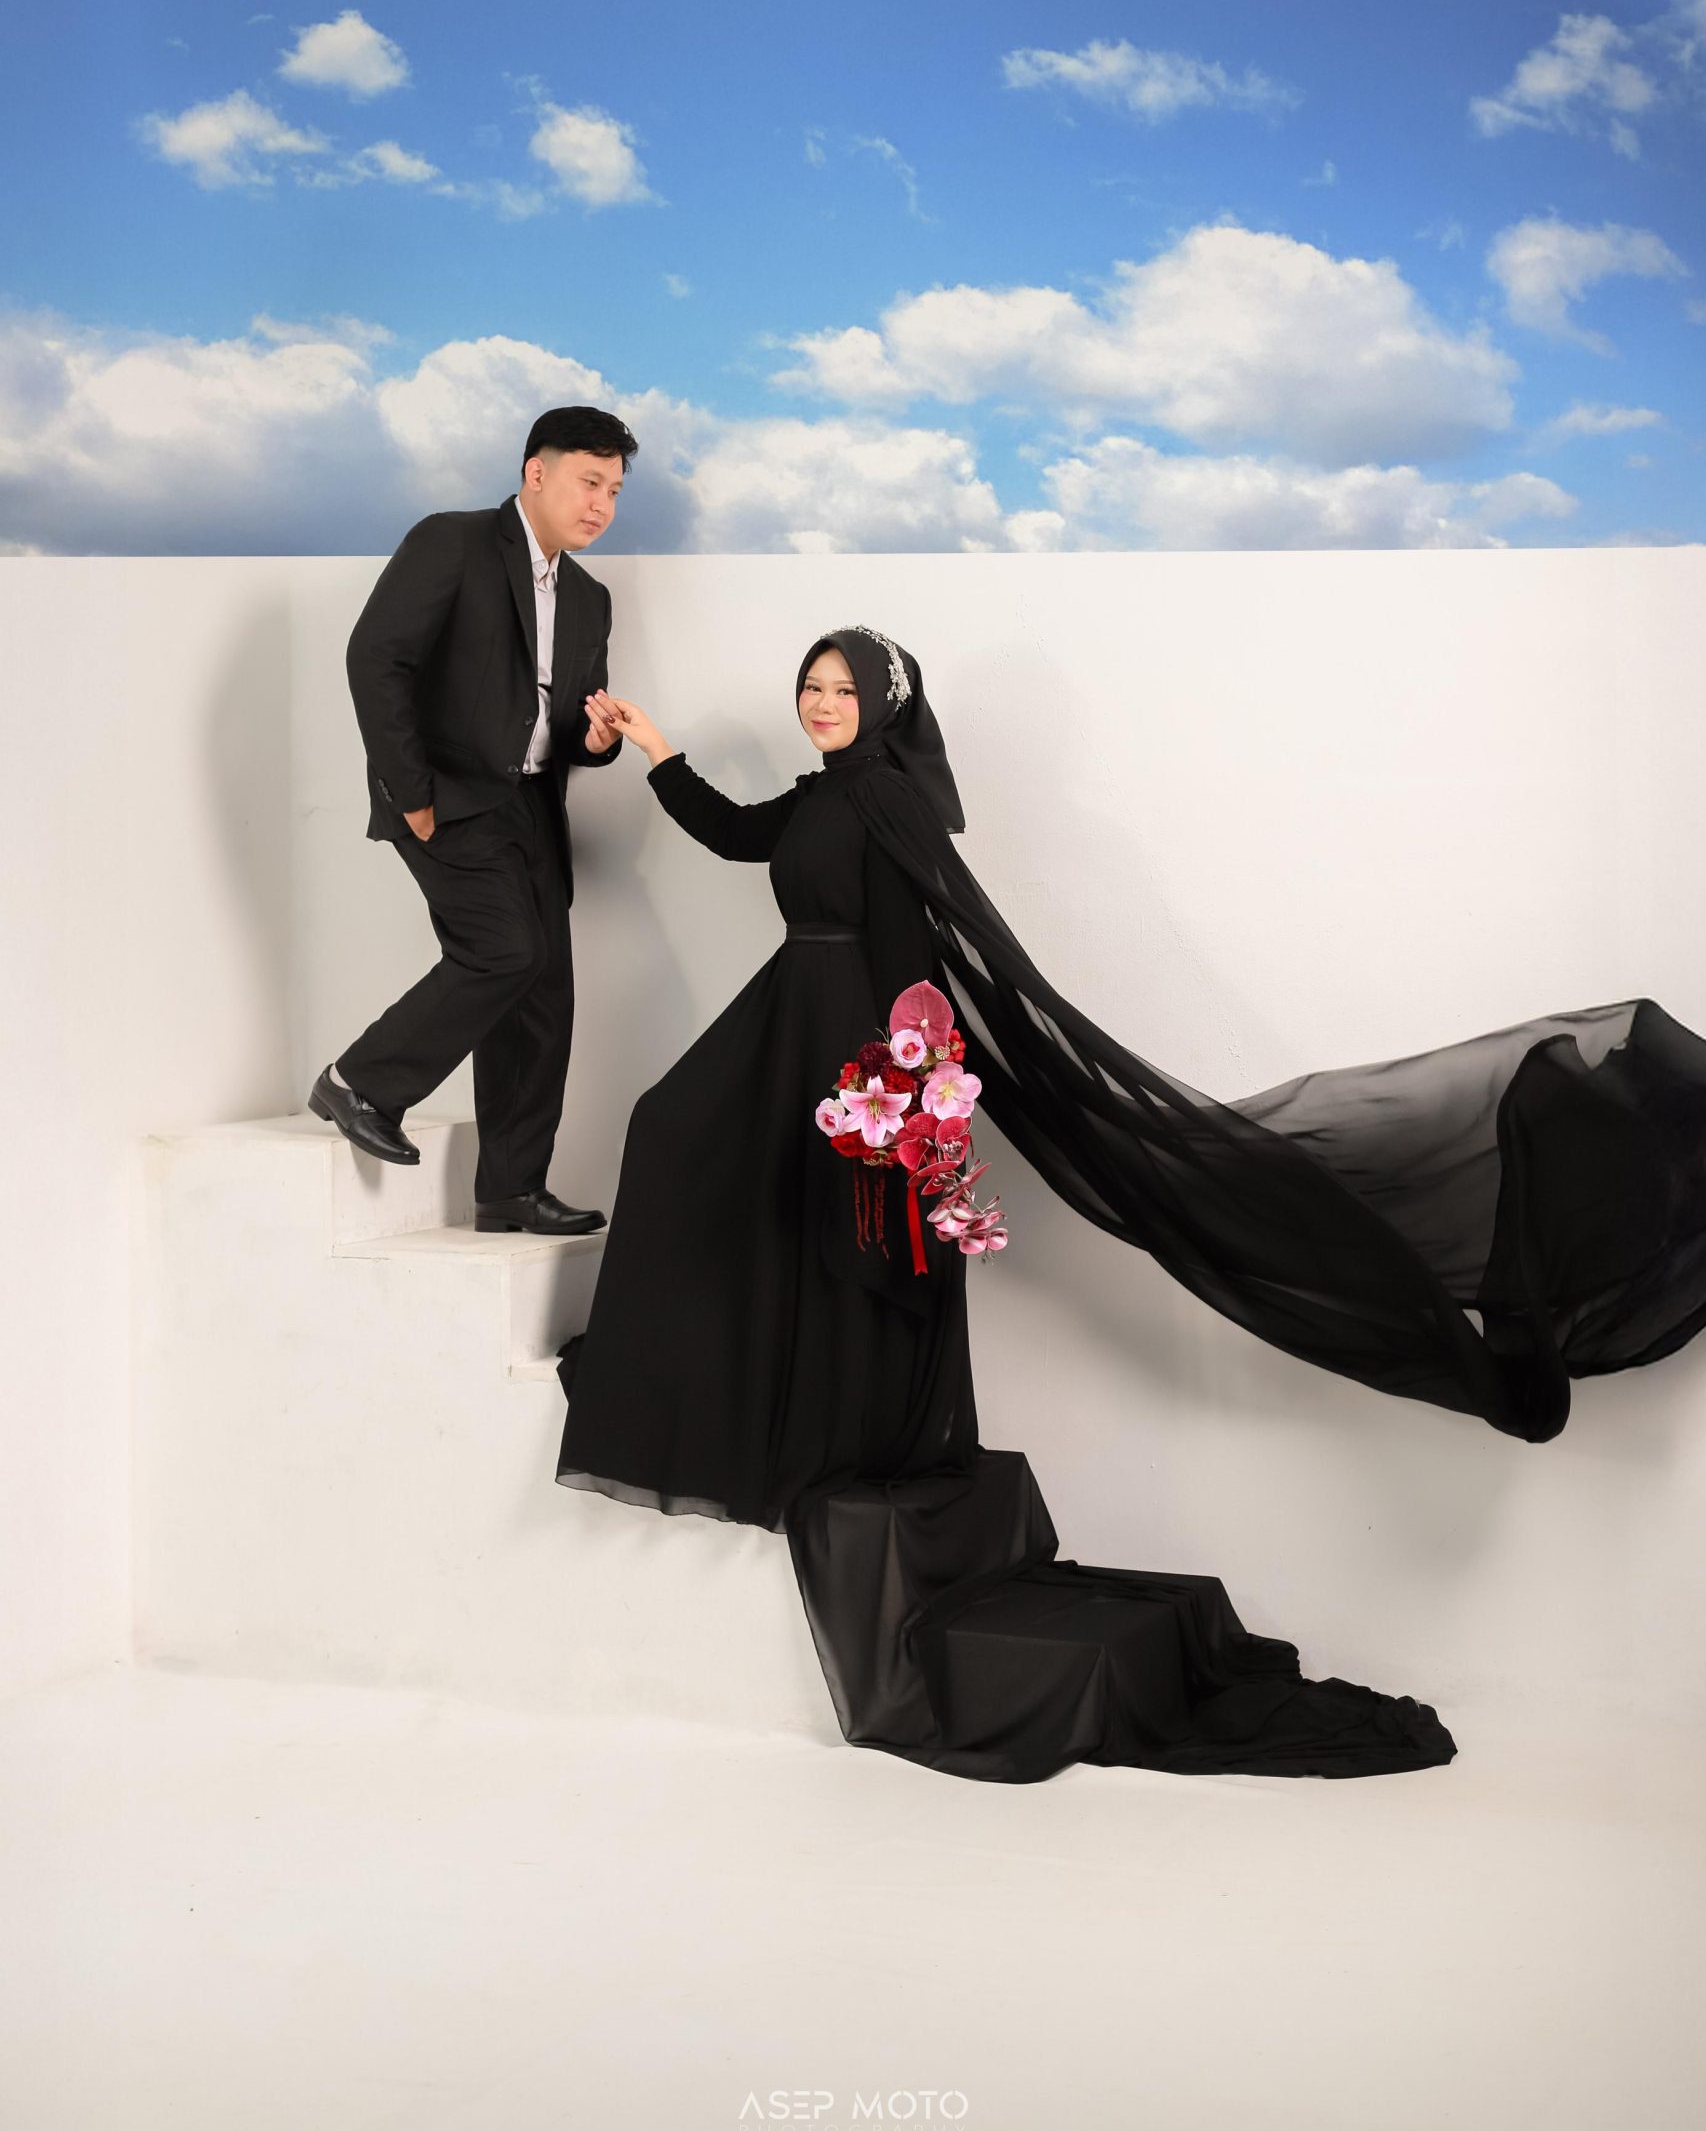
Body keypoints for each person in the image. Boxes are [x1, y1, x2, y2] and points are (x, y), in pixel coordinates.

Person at [552, 625, 1706, 1780]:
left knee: (828, 1222)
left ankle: (829, 1428)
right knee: (679, 1133)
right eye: (809, 686)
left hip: (853, 1045)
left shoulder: (886, 802)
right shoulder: (819, 797)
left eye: (841, 689)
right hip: (790, 1020)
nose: (819, 703)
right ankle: (732, 1379)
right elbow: (738, 833)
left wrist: (899, 1088)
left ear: (884, 704)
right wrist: (655, 747)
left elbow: (910, 957)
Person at [309, 406, 634, 1236]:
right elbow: (375, 656)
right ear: (536, 472)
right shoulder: (451, 542)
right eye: (588, 482)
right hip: (448, 796)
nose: (601, 504)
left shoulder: (590, 599)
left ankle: (511, 1190)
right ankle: (360, 1082)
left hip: (534, 807)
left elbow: (566, 727)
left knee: (544, 993)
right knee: (503, 952)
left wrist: (595, 741)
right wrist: (411, 790)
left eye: (613, 490)